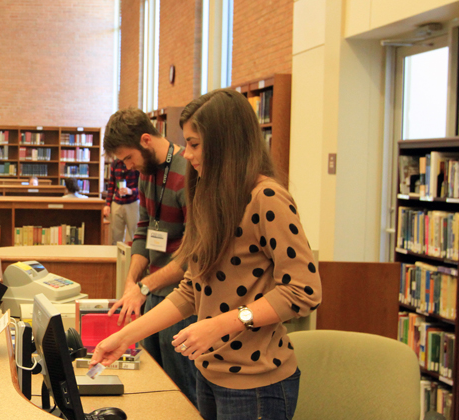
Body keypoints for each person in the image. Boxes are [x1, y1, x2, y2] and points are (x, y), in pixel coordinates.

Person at [91, 89, 322, 420]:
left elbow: (304, 290)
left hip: (255, 384)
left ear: (227, 142)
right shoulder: (208, 197)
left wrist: (224, 324)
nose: (188, 152)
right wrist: (123, 338)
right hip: (208, 374)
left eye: (195, 144)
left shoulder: (267, 198)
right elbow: (191, 290)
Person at [100, 107, 198, 405]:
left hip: (181, 301)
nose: (128, 166)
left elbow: (191, 253)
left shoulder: (188, 173)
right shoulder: (146, 173)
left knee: (180, 391)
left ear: (146, 140)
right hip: (152, 292)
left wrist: (143, 287)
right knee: (152, 384)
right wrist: (132, 282)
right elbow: (143, 230)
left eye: (128, 157)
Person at [103, 156, 140, 244]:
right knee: (116, 236)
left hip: (132, 203)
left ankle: (134, 256)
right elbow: (111, 184)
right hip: (117, 203)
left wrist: (130, 191)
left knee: (135, 234)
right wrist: (107, 204)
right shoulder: (115, 163)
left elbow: (142, 187)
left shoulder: (136, 163)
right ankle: (115, 256)